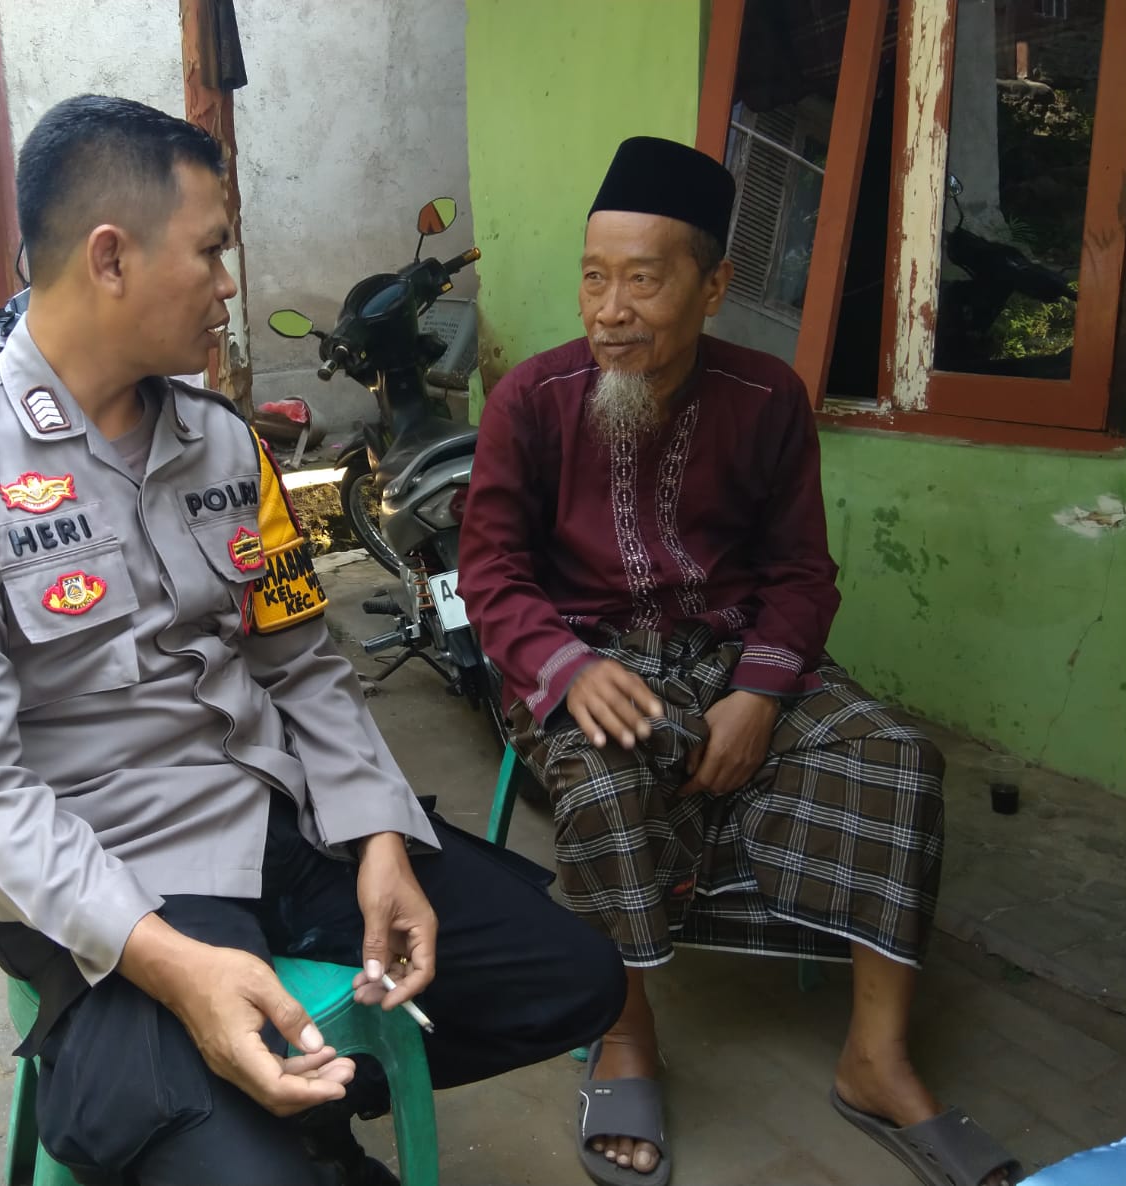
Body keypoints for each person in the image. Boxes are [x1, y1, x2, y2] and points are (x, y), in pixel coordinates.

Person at [0, 94, 625, 1186]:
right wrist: (174, 965)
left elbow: (298, 663)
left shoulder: (223, 445)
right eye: (210, 251)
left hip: (274, 824)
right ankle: (284, 1136)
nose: (227, 285)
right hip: (105, 876)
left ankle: (302, 1114)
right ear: (110, 258)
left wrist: (378, 834)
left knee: (573, 977)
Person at [457, 136, 1020, 1186]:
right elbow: (488, 573)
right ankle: (625, 1038)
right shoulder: (530, 399)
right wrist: (565, 668)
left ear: (711, 287)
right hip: (589, 657)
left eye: (642, 280)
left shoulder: (767, 398)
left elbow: (802, 572)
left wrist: (760, 692)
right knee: (605, 778)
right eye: (593, 276)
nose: (610, 310)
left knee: (896, 761)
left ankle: (876, 1058)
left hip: (736, 650)